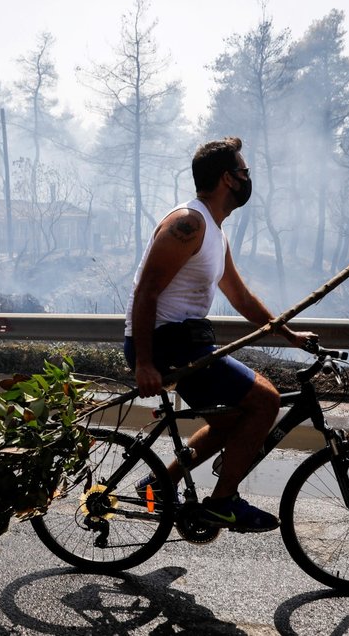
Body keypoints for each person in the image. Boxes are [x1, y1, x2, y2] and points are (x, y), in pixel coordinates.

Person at [123, 136, 316, 532]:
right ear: (228, 178)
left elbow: (241, 297)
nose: (249, 179)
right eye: (245, 172)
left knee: (232, 421)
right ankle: (223, 502)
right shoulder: (188, 223)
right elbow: (146, 291)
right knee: (265, 402)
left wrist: (290, 336)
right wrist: (144, 362)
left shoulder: (214, 230)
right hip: (165, 343)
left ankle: (159, 486)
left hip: (187, 341)